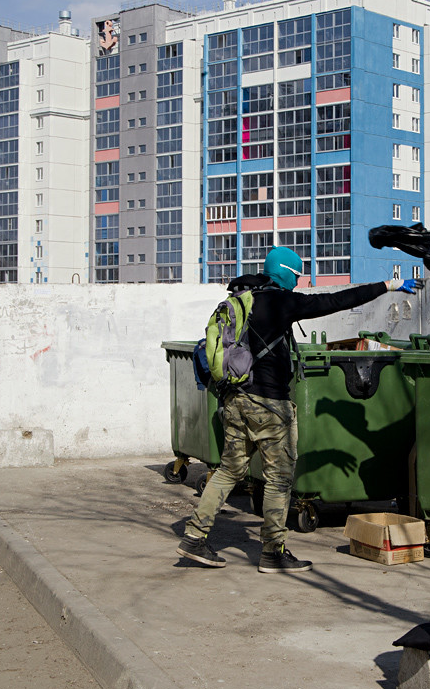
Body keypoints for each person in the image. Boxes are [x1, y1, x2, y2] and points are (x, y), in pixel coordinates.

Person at [177, 246, 417, 573]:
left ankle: (194, 537)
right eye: (298, 274)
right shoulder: (281, 302)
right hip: (269, 407)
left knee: (229, 471)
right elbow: (336, 301)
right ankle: (272, 552)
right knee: (279, 478)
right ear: (287, 273)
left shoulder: (243, 300)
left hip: (235, 402)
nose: (300, 281)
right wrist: (386, 287)